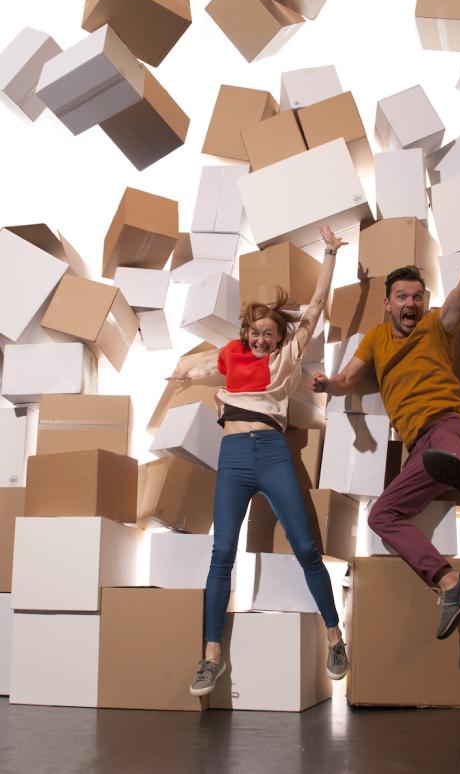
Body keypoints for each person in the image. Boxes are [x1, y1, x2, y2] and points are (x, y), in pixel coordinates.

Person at [312, 204, 460, 640]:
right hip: (420, 448)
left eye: (417, 296)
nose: (411, 303)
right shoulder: (375, 340)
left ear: (425, 302)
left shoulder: (438, 325)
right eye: (402, 296)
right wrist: (328, 384)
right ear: (387, 303)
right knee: (381, 515)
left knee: (448, 445)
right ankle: (450, 582)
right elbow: (347, 380)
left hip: (451, 425)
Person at [168, 227, 349, 696]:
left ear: (279, 338)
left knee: (307, 546)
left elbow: (314, 308)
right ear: (245, 332)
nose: (263, 339)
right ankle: (210, 656)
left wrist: (329, 254)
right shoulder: (229, 357)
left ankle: (334, 636)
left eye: (270, 333)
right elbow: (196, 367)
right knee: (221, 552)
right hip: (233, 458)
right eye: (256, 332)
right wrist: (181, 376)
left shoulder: (287, 358)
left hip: (270, 453)